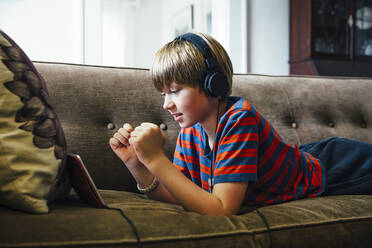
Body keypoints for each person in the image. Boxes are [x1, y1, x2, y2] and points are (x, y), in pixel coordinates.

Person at [109, 32, 372, 216]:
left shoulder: (239, 119)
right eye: (163, 94)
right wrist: (137, 163)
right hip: (310, 160)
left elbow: (221, 209)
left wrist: (156, 160)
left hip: (337, 167)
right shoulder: (191, 132)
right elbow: (180, 195)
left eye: (175, 91)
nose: (167, 104)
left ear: (214, 84)